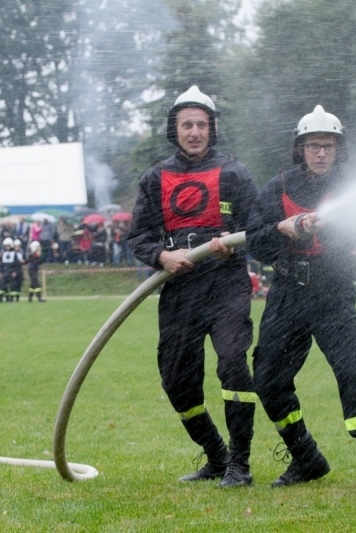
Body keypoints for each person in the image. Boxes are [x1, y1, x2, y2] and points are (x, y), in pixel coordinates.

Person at [245, 105, 356, 493]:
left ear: (337, 148)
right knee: (267, 380)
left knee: (351, 374)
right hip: (287, 295)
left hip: (333, 294)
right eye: (313, 145)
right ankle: (306, 457)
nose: (321, 153)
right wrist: (284, 230)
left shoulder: (351, 186)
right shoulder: (278, 187)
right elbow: (256, 242)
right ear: (301, 149)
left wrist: (330, 229)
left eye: (328, 145)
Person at [127, 85, 258, 488]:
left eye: (202, 124)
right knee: (176, 380)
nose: (195, 132)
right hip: (179, 288)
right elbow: (138, 236)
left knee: (233, 363)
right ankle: (215, 455)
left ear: (212, 128)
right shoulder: (156, 177)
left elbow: (257, 228)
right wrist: (162, 257)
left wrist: (231, 247)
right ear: (175, 129)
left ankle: (240, 463)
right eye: (187, 124)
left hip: (225, 284)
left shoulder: (234, 173)